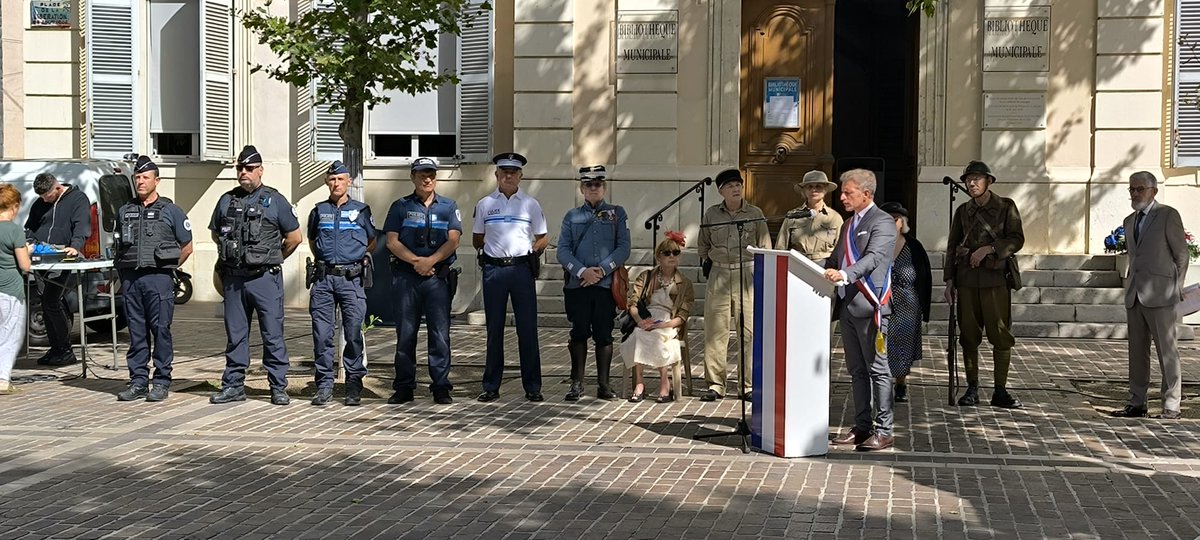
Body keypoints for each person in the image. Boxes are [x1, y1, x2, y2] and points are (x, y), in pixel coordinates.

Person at [208, 145, 303, 406]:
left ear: (261, 170)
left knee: (272, 334)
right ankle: (233, 385)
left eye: (249, 168)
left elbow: (295, 238)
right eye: (240, 168)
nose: (243, 172)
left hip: (264, 279)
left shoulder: (275, 200)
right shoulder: (226, 200)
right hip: (234, 279)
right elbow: (216, 233)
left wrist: (274, 258)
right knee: (235, 335)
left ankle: (277, 386)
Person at [825, 169, 897, 452]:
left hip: (870, 307)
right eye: (842, 192)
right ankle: (862, 426)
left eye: (848, 192)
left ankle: (885, 429)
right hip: (848, 307)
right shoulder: (847, 224)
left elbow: (874, 258)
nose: (841, 197)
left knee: (878, 370)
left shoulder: (883, 222)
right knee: (856, 371)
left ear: (866, 194)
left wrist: (844, 275)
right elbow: (834, 258)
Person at [944, 160, 1025, 409]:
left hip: (994, 280)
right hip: (967, 280)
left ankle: (1000, 390)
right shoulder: (962, 211)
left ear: (989, 181)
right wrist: (949, 280)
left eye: (977, 178)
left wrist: (990, 248)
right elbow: (952, 245)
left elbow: (1017, 238)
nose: (972, 183)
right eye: (969, 179)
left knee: (1000, 334)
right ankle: (972, 388)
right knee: (968, 335)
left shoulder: (1005, 207)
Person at [113, 156, 194, 402]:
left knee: (160, 330)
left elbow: (187, 246)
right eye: (137, 177)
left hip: (158, 280)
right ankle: (138, 381)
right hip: (131, 280)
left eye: (145, 177)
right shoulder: (124, 210)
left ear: (156, 181)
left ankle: (161, 381)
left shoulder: (171, 211)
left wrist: (169, 269)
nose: (140, 181)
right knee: (136, 332)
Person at [473, 152, 549, 403]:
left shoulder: (531, 204)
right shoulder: (485, 204)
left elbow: (542, 237)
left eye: (513, 172)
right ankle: (491, 385)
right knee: (494, 330)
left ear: (520, 176)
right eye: (504, 171)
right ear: (496, 174)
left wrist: (532, 253)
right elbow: (477, 238)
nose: (508, 176)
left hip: (520, 270)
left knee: (527, 329)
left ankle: (533, 386)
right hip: (494, 270)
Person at [385, 157, 461, 406]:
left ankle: (440, 386)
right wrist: (417, 261)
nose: (427, 179)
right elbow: (392, 241)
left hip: (437, 279)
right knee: (406, 334)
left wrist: (431, 262)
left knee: (440, 335)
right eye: (421, 174)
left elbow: (453, 240)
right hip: (407, 278)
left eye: (431, 174)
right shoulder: (400, 206)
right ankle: (404, 387)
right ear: (412, 177)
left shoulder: (448, 207)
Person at [1111, 171, 1187, 420]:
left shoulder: (1167, 215)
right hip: (1135, 294)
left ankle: (1172, 404)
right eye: (1131, 189)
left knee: (1167, 351)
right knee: (1137, 351)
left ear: (1153, 191)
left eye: (1140, 189)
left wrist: (1177, 286)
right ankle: (1137, 402)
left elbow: (1181, 255)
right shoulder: (1129, 220)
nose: (1135, 194)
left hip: (1161, 294)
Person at [557, 165, 631, 401]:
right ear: (581, 188)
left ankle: (604, 384)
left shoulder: (618, 213)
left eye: (597, 184)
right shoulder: (572, 216)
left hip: (605, 285)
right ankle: (576, 382)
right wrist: (582, 272)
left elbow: (624, 248)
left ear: (604, 187)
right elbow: (563, 250)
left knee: (604, 333)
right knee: (578, 333)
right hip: (578, 286)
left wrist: (602, 270)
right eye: (588, 185)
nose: (593, 188)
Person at [697, 168, 771, 402]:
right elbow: (703, 245)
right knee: (715, 331)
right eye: (730, 186)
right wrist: (711, 262)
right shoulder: (711, 214)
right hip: (719, 274)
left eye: (738, 185)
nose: (736, 189)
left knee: (748, 332)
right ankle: (715, 384)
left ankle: (747, 385)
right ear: (721, 191)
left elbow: (765, 246)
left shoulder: (755, 213)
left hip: (746, 274)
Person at [307, 161, 376, 407]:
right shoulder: (318, 211)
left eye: (341, 179)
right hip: (324, 280)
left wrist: (355, 258)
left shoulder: (361, 211)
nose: (336, 183)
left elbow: (371, 240)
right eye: (332, 179)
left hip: (351, 280)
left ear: (349, 182)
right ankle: (324, 386)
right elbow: (313, 241)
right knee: (322, 335)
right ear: (327, 182)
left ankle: (354, 385)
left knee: (354, 333)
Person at [23, 172, 92, 367]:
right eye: (42, 197)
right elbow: (30, 227)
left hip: (64, 256)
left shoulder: (78, 199)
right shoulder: (40, 203)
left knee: (52, 300)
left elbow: (81, 226)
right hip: (41, 256)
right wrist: (29, 243)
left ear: (58, 188)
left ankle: (65, 349)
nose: (44, 200)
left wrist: (75, 246)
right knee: (46, 302)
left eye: (48, 196)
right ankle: (56, 349)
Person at [622, 231, 694, 403]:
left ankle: (664, 382)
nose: (671, 256)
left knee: (655, 336)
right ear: (658, 257)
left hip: (669, 321)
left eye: (676, 253)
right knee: (639, 334)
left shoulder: (686, 284)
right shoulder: (646, 277)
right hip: (646, 317)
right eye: (667, 253)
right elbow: (632, 303)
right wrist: (640, 321)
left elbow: (682, 316)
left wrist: (662, 325)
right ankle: (639, 382)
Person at [879, 202, 931, 404]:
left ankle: (900, 384)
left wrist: (925, 309)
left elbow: (924, 278)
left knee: (902, 344)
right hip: (881, 300)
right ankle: (881, 382)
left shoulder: (914, 247)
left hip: (907, 302)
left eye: (896, 219)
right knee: (880, 343)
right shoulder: (876, 243)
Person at [0, 184, 31, 395]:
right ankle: (2, 379)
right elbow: (25, 266)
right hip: (11, 289)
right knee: (9, 335)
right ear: (14, 206)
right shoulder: (14, 230)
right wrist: (28, 250)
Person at [776, 170, 843, 266]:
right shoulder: (793, 216)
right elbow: (781, 247)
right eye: (809, 186)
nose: (814, 190)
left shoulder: (834, 218)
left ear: (825, 189)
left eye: (818, 186)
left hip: (825, 268)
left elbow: (840, 251)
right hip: (797, 265)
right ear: (804, 190)